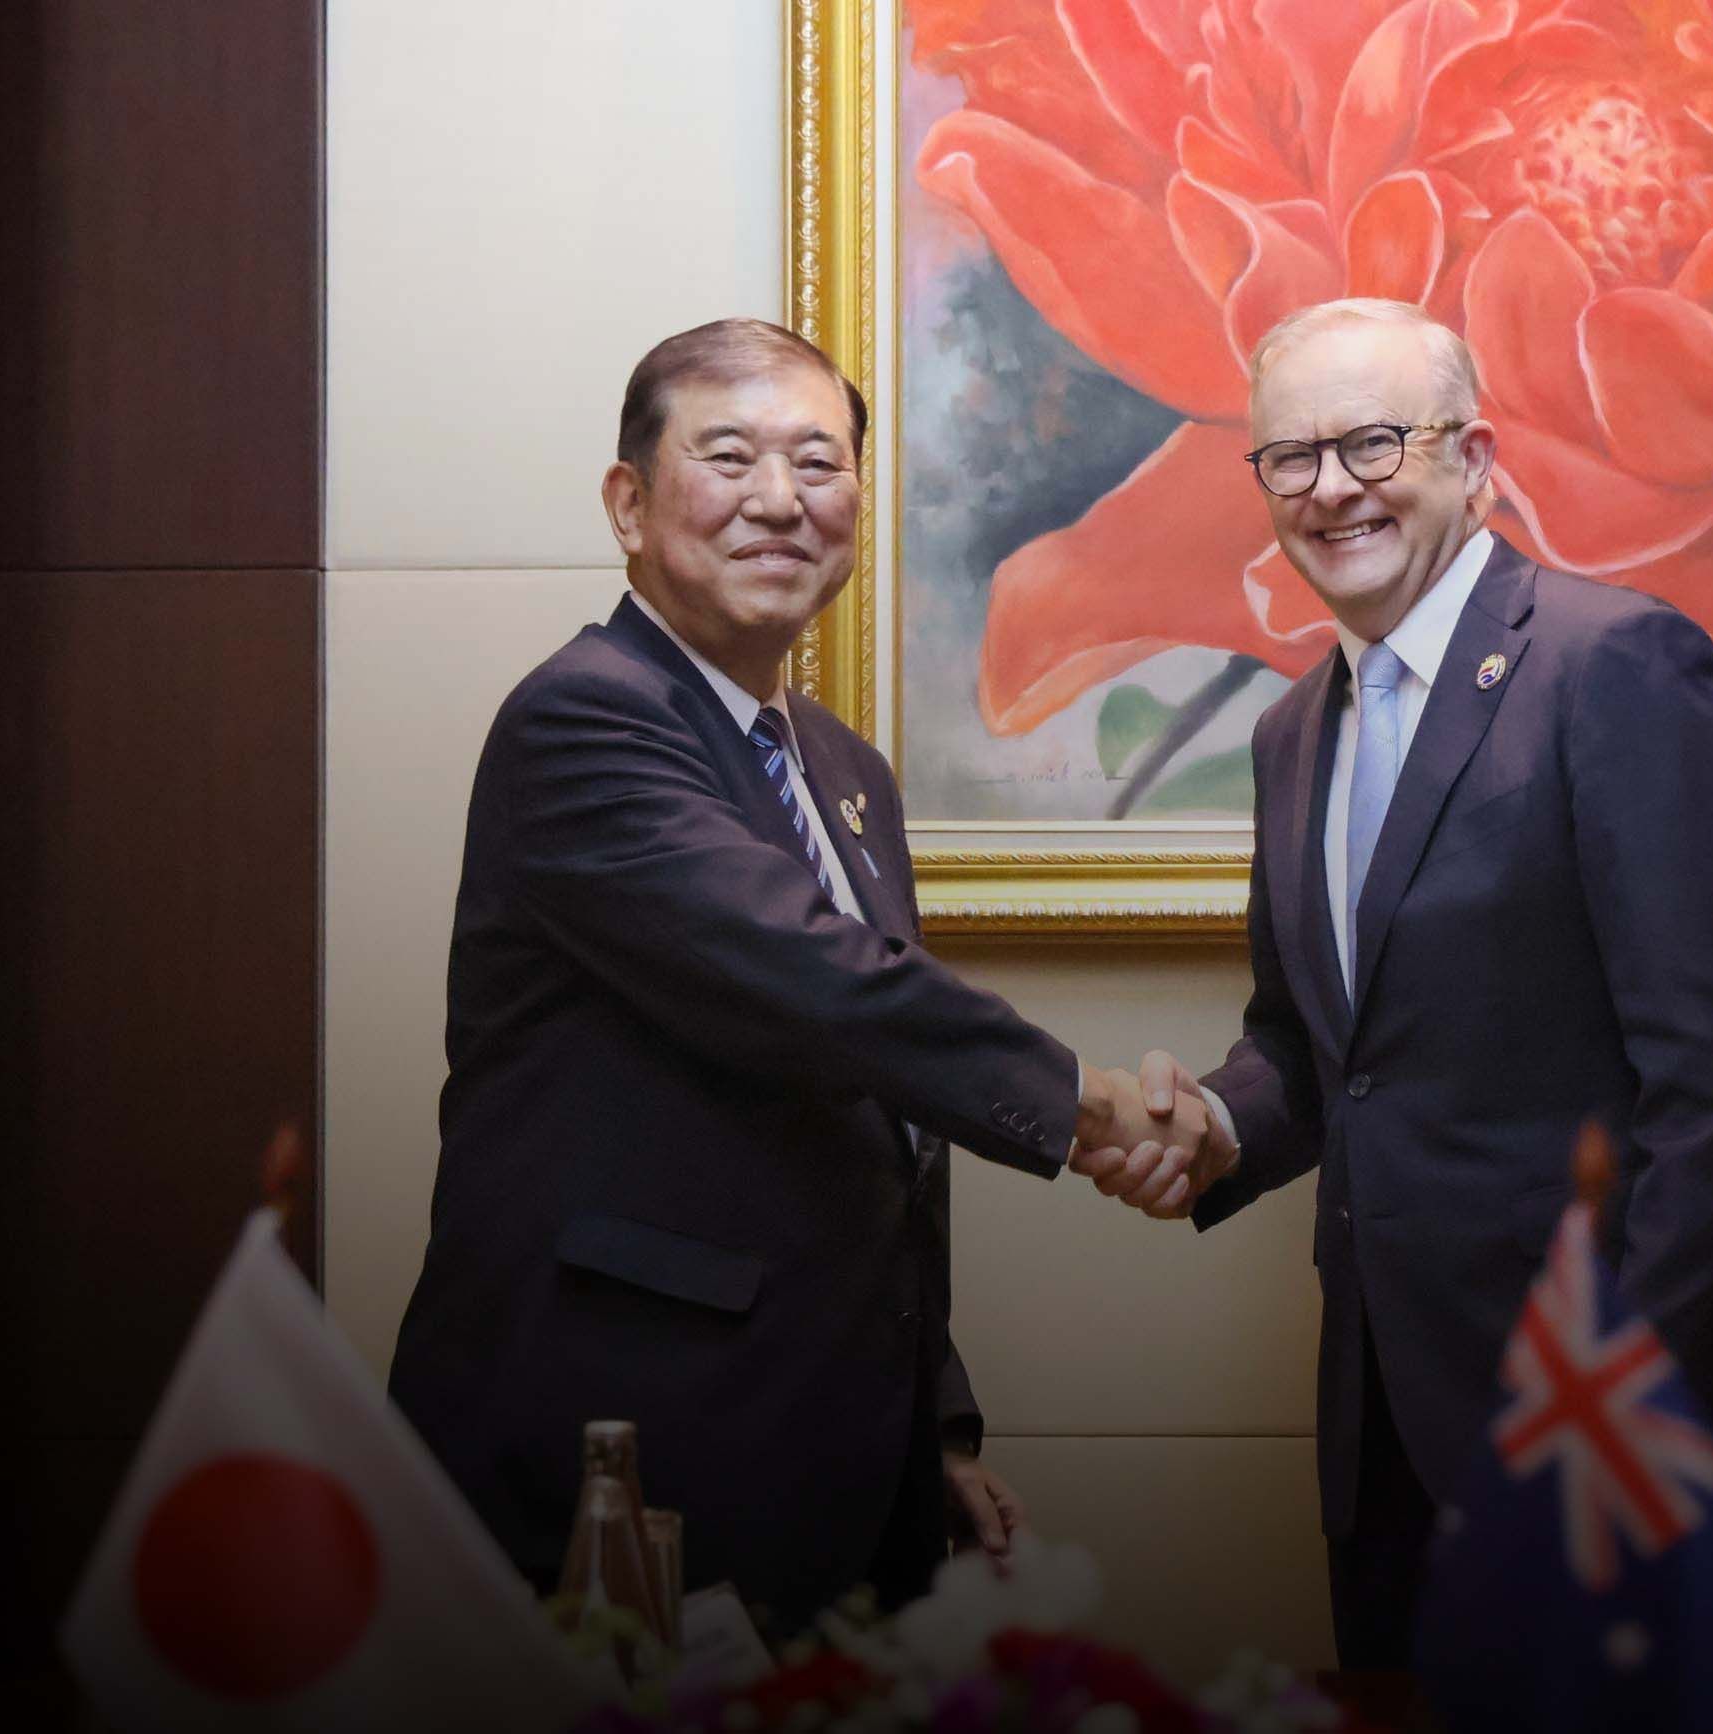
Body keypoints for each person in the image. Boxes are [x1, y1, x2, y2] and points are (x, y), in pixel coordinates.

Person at [387, 318, 1207, 1633]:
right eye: (730, 456)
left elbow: (867, 1111)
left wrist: (925, 1423)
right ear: (629, 503)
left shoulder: (843, 773)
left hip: (824, 1448)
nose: (781, 499)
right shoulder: (584, 719)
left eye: (818, 463)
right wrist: (1093, 1105)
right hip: (625, 1445)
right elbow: (817, 985)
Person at [1077, 298, 1713, 1669]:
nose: (1330, 487)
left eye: (1374, 441)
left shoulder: (1613, 665)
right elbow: (1320, 1048)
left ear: (1477, 456)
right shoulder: (1291, 734)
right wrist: (1220, 1122)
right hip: (1384, 1422)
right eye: (1290, 457)